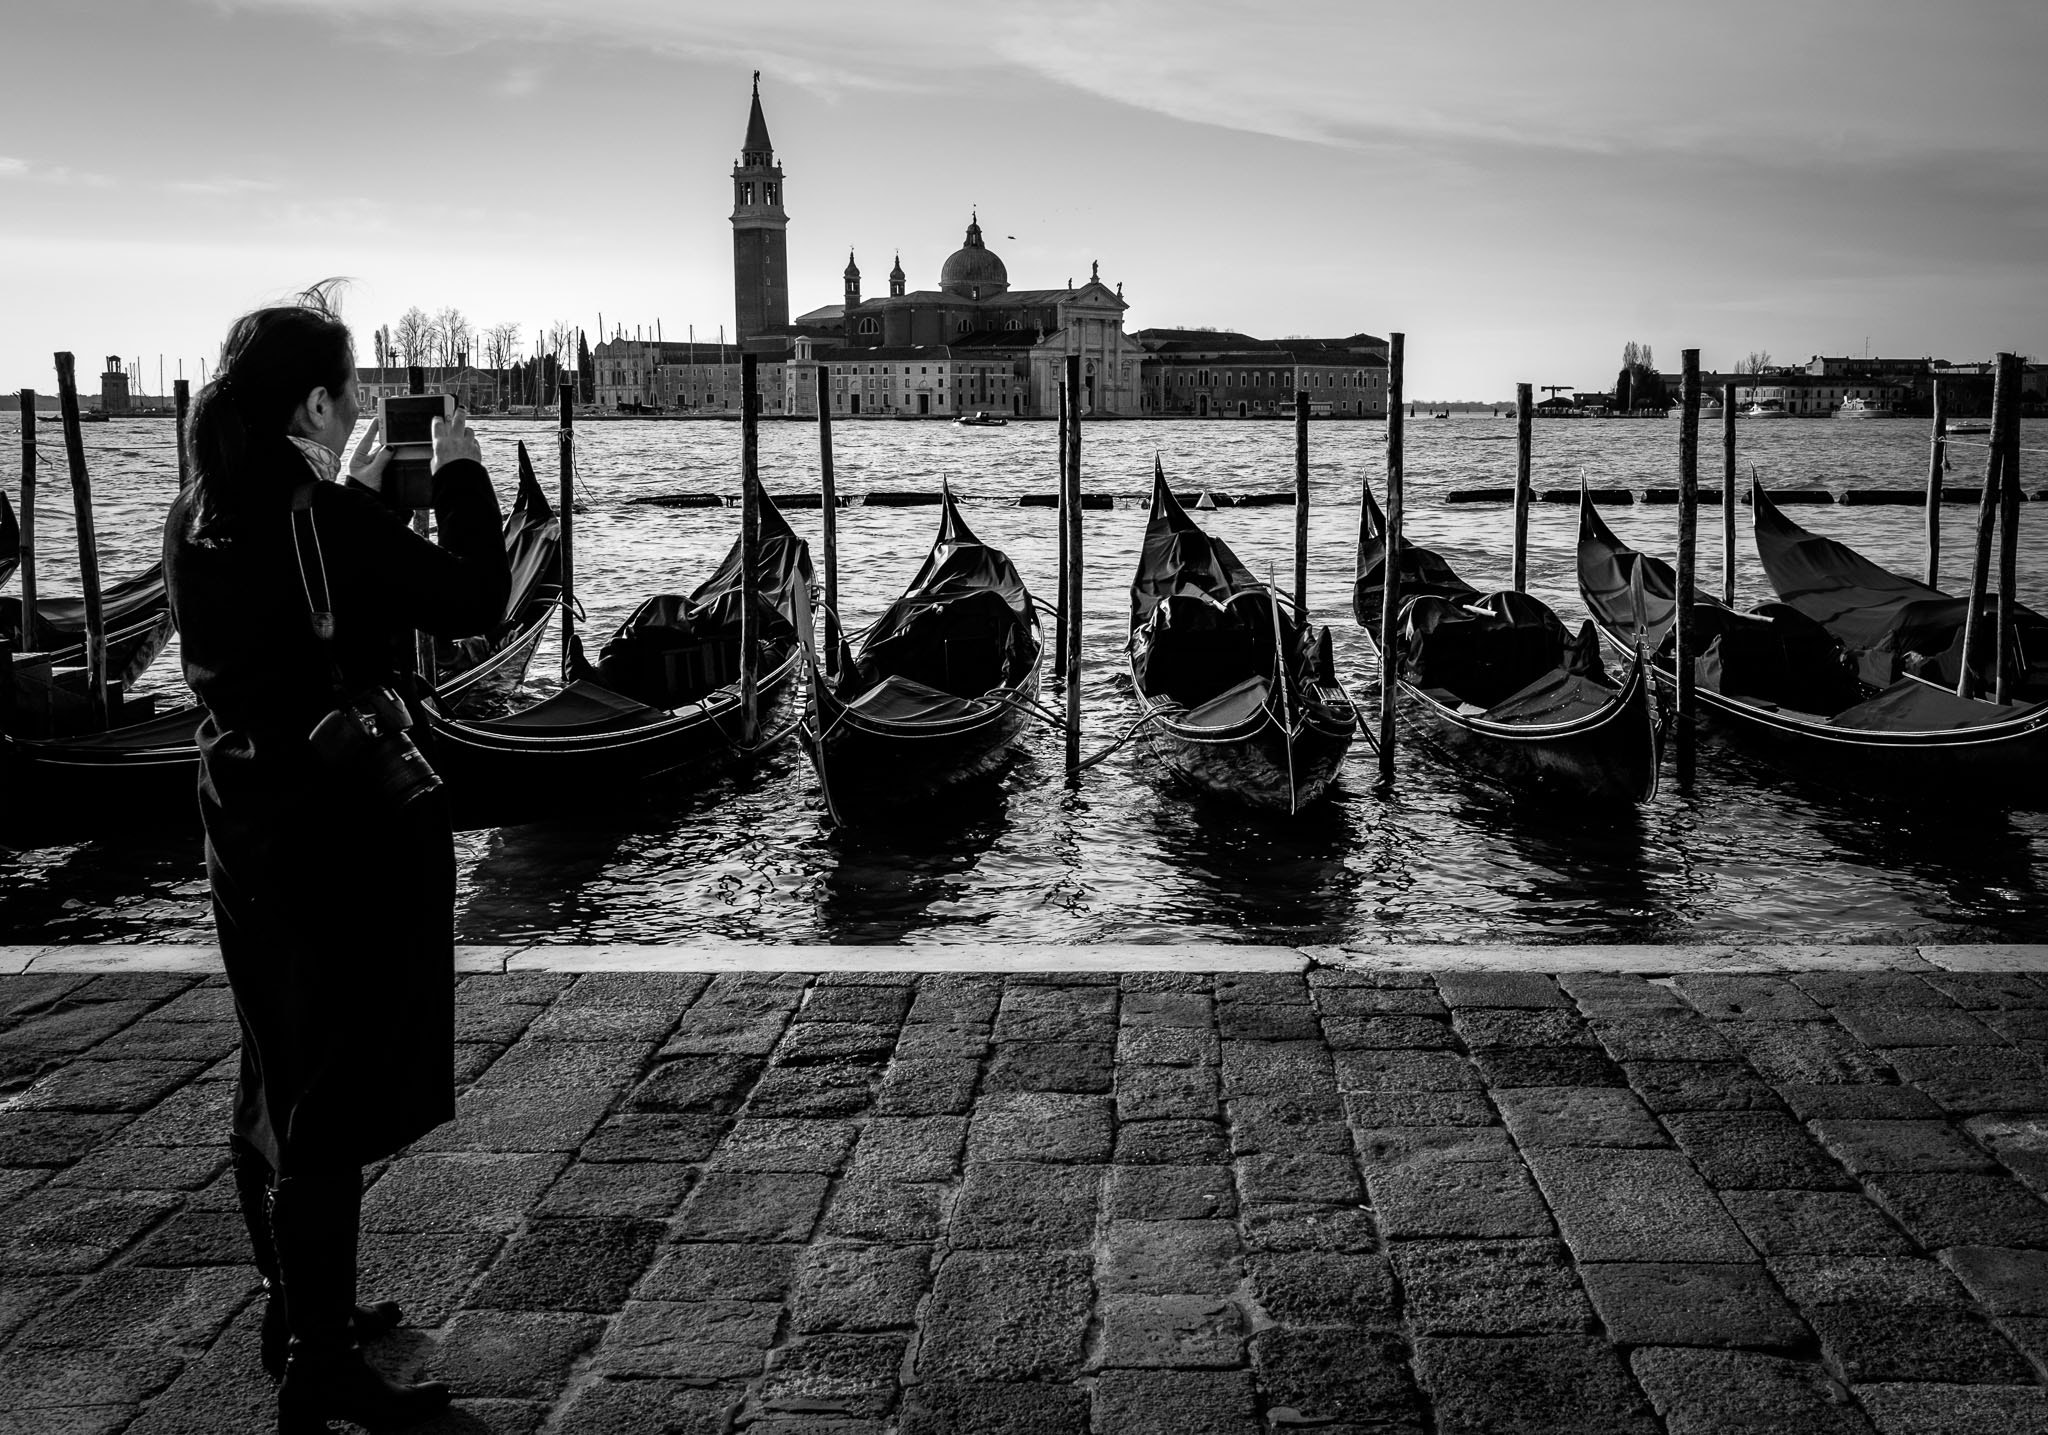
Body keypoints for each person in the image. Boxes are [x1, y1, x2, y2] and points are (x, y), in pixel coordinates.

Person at [164, 282, 510, 1433]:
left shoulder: (197, 505)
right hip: (328, 826)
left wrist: (349, 492)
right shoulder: (318, 518)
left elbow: (283, 615)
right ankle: (319, 1357)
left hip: (239, 812)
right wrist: (459, 472)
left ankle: (292, 1305)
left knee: (274, 1058)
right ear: (315, 402)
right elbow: (476, 597)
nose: (363, 401)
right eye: (351, 387)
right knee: (329, 1087)